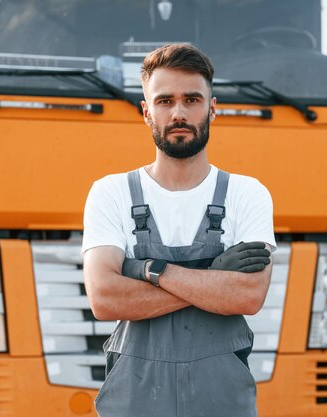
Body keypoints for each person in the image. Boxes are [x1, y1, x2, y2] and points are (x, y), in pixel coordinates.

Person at [82, 43, 276, 417]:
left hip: (221, 402)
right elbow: (105, 299)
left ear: (212, 108)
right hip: (134, 401)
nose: (179, 113)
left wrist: (145, 271)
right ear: (146, 111)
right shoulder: (111, 192)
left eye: (192, 99)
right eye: (165, 101)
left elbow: (248, 295)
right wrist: (213, 277)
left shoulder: (247, 193)